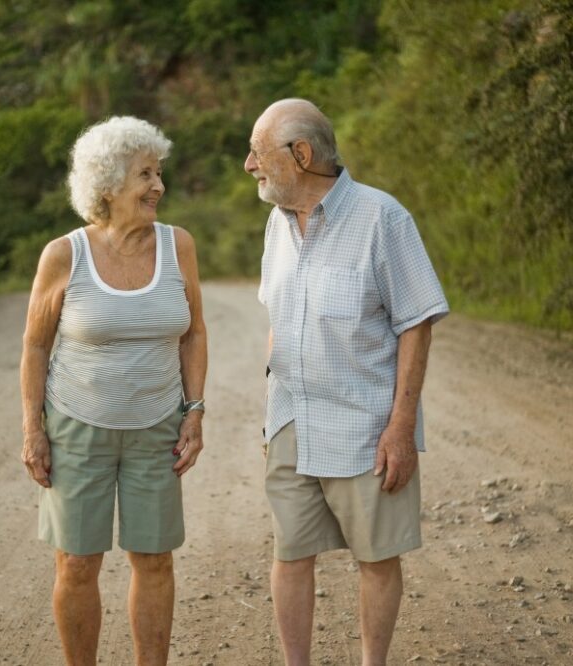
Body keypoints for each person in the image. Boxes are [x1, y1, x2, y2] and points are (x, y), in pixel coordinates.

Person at [246, 99, 449, 666]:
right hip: (292, 417)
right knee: (290, 552)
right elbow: (276, 320)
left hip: (366, 426)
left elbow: (416, 322)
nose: (248, 165)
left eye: (258, 153)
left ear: (302, 155)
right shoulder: (276, 224)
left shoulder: (383, 219)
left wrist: (401, 427)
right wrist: (270, 414)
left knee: (377, 558)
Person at [20, 116, 207, 666]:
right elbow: (35, 346)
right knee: (77, 564)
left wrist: (193, 412)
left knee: (155, 561)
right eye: (144, 175)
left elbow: (194, 331)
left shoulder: (180, 246)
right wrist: (34, 428)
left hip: (157, 427)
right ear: (107, 186)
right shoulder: (64, 254)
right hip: (77, 427)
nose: (158, 186)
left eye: (159, 172)